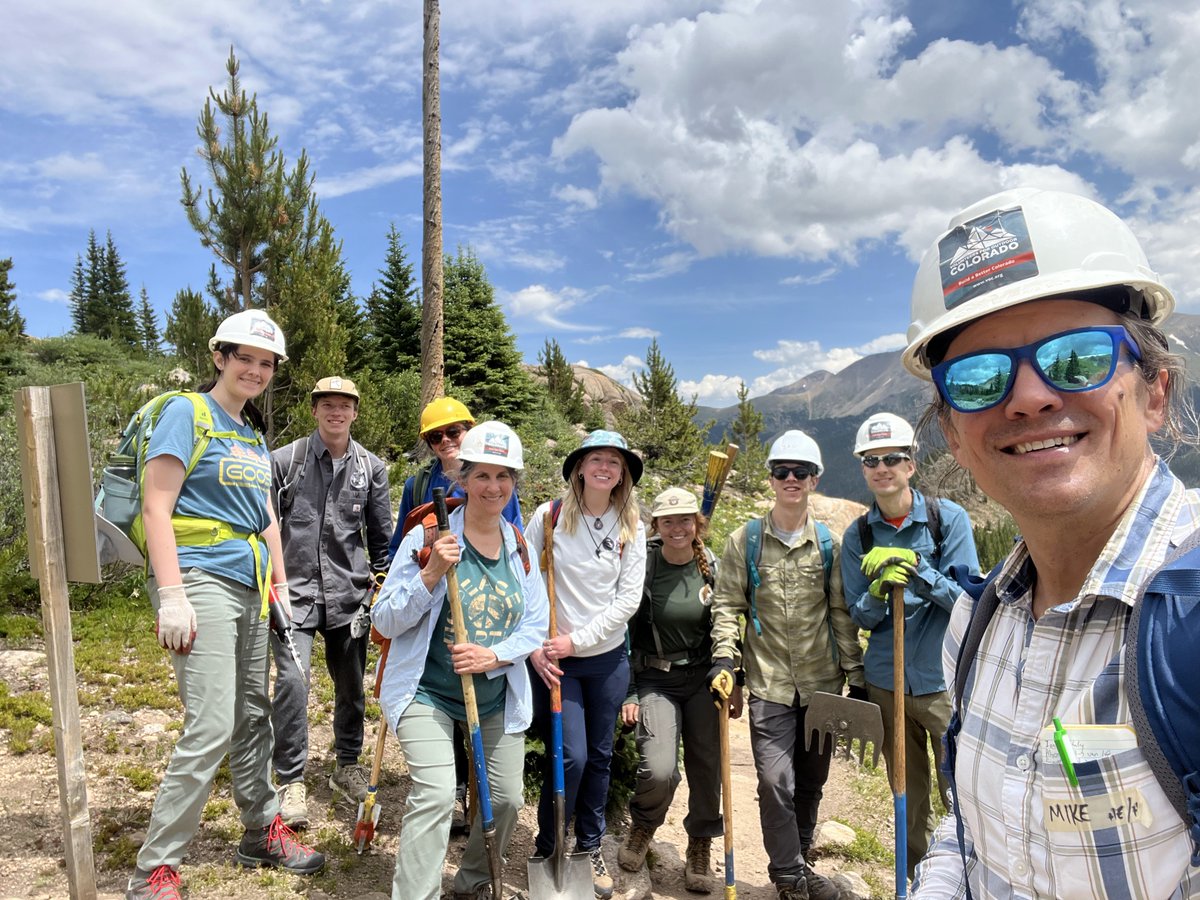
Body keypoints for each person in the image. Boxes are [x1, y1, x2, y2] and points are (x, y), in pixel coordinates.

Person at [902, 186, 1200, 898]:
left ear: (1154, 389)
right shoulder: (977, 628)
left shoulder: (1186, 628)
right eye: (977, 379)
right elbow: (973, 827)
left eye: (1076, 358)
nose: (1030, 397)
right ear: (953, 433)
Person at [124, 310, 323, 900]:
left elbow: (265, 519)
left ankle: (261, 832)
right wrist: (172, 595)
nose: (256, 371)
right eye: (246, 359)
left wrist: (281, 586)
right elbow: (158, 506)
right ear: (219, 356)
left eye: (266, 364)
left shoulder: (249, 433)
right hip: (200, 580)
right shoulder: (188, 414)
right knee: (211, 724)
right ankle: (155, 868)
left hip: (253, 587)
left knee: (252, 715)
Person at [372, 421, 547, 900]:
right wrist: (429, 574)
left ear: (514, 483)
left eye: (504, 476)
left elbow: (534, 626)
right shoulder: (428, 536)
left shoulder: (520, 549)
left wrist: (493, 654)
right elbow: (385, 620)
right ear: (462, 479)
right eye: (483, 475)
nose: (493, 487)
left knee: (508, 800)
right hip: (426, 691)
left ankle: (470, 883)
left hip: (493, 695)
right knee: (434, 793)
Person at [708, 430, 863, 900]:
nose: (791, 479)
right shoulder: (746, 540)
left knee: (811, 782)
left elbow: (839, 613)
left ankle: (798, 859)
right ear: (771, 480)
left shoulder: (829, 545)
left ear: (815, 480)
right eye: (782, 472)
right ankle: (790, 877)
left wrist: (856, 677)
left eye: (801, 472)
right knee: (776, 782)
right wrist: (724, 659)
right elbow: (727, 604)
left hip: (822, 686)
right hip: (770, 686)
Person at [839, 412, 978, 879]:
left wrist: (918, 566)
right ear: (863, 468)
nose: (883, 468)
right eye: (872, 460)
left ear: (911, 463)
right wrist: (877, 592)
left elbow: (966, 601)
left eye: (893, 458)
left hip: (941, 682)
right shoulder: (858, 536)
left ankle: (969, 877)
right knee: (907, 794)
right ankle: (916, 881)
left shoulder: (946, 520)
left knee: (960, 790)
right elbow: (859, 614)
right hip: (887, 683)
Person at [386, 396, 524, 831]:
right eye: (435, 436)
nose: (445, 441)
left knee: (477, 710)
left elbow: (506, 538)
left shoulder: (496, 489)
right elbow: (402, 541)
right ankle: (457, 790)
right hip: (432, 593)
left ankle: (470, 795)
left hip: (486, 624)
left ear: (468, 431)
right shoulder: (418, 482)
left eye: (453, 432)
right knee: (446, 688)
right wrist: (421, 569)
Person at [525, 430, 648, 900]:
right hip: (560, 663)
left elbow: (627, 601)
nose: (604, 468)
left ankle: (590, 846)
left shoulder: (630, 525)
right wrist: (539, 644)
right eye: (596, 459)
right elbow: (528, 579)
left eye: (613, 463)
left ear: (622, 476)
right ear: (578, 467)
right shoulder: (550, 517)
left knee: (599, 757)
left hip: (607, 659)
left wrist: (577, 640)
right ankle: (549, 844)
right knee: (570, 756)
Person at [269, 376, 393, 827]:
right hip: (293, 594)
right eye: (328, 405)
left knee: (351, 688)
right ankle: (290, 780)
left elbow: (381, 538)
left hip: (349, 595)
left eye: (345, 406)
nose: (336, 412)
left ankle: (347, 765)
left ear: (355, 412)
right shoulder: (284, 462)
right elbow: (263, 526)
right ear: (315, 410)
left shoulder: (371, 469)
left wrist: (380, 587)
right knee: (292, 686)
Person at [617, 486, 724, 894]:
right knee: (659, 768)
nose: (677, 528)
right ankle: (644, 825)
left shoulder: (711, 566)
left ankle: (700, 843)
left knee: (707, 765)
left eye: (685, 520)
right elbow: (623, 633)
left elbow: (728, 623)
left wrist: (734, 678)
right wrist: (628, 692)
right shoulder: (644, 565)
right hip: (654, 678)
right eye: (668, 521)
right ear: (656, 525)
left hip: (701, 679)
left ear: (697, 523)